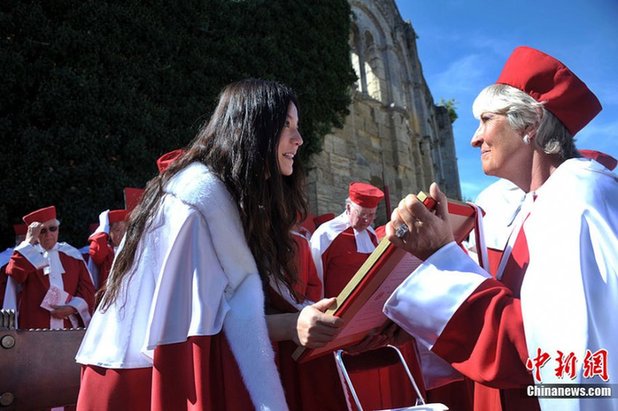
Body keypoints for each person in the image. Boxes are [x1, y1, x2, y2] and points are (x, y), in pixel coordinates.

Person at [75, 79, 343, 410]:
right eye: (286, 125)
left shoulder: (229, 198)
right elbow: (199, 331)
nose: (299, 139)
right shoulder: (195, 203)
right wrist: (292, 325)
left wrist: (301, 318)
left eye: (297, 126)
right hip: (136, 383)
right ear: (252, 128)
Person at [384, 46, 617, 411]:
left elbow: (556, 360)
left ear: (531, 124)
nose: (475, 139)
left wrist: (439, 256)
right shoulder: (537, 203)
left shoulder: (578, 200)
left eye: (486, 120)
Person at [5, 206, 96, 329]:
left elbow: (87, 288)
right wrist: (29, 241)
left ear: (58, 229)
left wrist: (73, 307)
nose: (49, 234)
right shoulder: (26, 255)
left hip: (68, 325)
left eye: (52, 229)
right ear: (35, 234)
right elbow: (15, 273)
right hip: (34, 327)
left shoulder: (72, 254)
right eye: (42, 231)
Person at [87, 209, 128, 291]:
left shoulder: (135, 248)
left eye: (125, 229)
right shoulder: (107, 252)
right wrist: (103, 228)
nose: (122, 234)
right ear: (109, 232)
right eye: (117, 230)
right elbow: (97, 254)